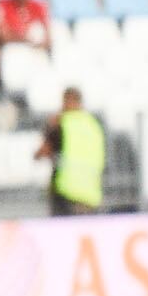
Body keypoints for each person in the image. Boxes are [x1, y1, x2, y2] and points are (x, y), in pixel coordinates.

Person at [43, 87, 108, 217]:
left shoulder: (61, 123)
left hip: (66, 194)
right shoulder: (94, 125)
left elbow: (43, 151)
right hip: (90, 196)